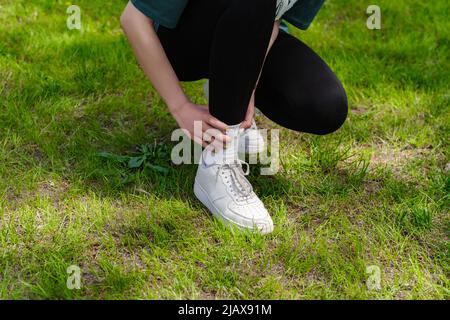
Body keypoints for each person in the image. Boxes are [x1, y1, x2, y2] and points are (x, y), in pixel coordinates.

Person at [120, 0, 348, 234]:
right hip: (179, 40)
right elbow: (134, 19)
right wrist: (180, 106)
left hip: (246, 27)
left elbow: (274, 19)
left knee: (326, 107)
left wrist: (247, 84)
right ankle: (217, 165)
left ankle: (223, 95)